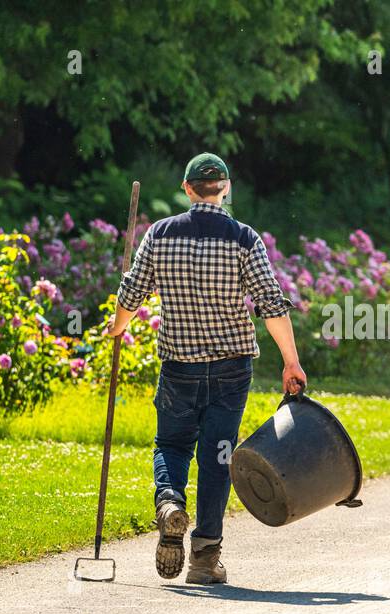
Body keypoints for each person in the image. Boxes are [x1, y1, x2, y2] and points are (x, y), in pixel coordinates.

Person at [105, 152, 306, 583]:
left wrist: (118, 328)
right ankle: (204, 557)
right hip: (231, 370)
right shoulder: (243, 238)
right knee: (218, 456)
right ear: (226, 188)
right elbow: (271, 304)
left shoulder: (160, 234)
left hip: (179, 367)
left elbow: (131, 292)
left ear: (187, 188)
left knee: (171, 445)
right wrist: (291, 361)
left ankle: (169, 502)